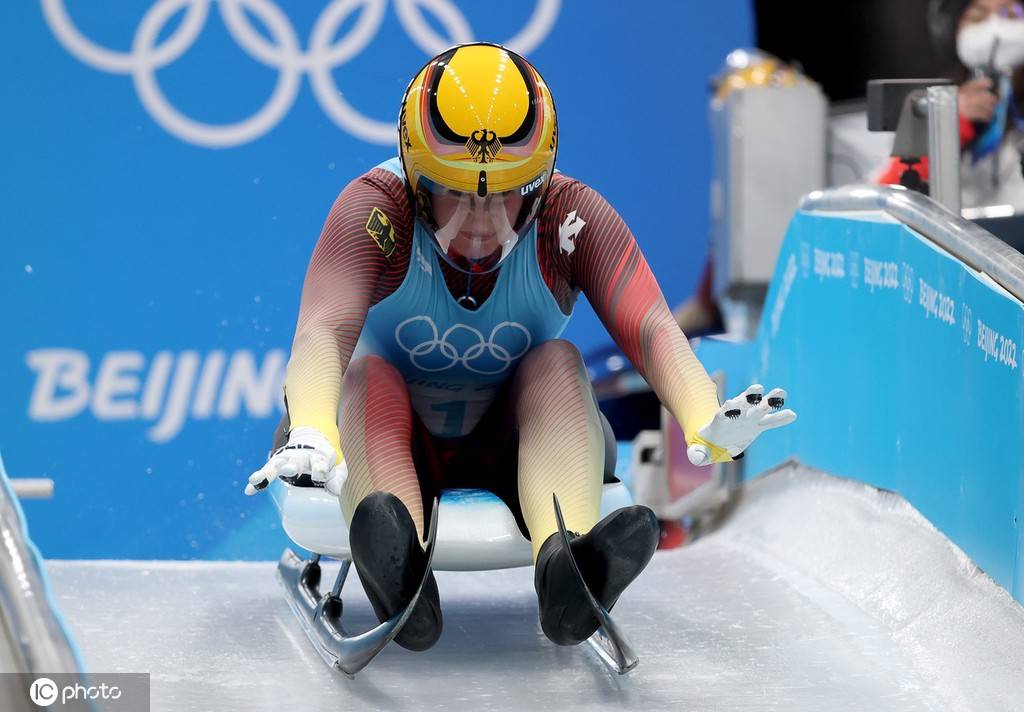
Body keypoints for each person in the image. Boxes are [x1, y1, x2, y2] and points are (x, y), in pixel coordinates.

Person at [244, 43, 796, 653]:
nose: (480, 225)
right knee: (368, 376)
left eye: (505, 196)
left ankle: (570, 568)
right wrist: (313, 430)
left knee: (558, 363)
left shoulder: (573, 216)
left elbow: (652, 328)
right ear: (416, 184)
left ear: (538, 187)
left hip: (516, 441)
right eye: (456, 195)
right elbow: (322, 329)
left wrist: (703, 417)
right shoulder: (374, 211)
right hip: (382, 437)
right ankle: (397, 568)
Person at [880, 0, 1024, 209]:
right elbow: (884, 197)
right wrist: (950, 124)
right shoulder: (929, 106)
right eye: (977, 17)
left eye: (1011, 15)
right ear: (950, 30)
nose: (995, 27)